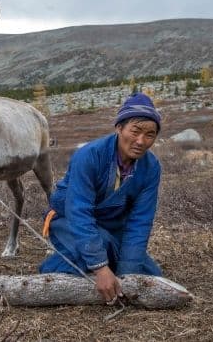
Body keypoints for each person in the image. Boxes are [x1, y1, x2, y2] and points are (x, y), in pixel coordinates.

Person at [39, 92, 163, 304]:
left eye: (150, 135)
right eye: (135, 131)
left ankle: (102, 260)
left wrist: (128, 278)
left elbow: (140, 222)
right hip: (68, 220)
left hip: (111, 226)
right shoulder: (89, 156)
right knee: (102, 248)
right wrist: (100, 267)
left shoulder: (151, 168)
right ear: (119, 128)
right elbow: (78, 211)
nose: (141, 141)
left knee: (151, 275)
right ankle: (50, 268)